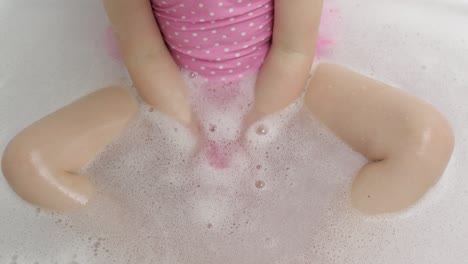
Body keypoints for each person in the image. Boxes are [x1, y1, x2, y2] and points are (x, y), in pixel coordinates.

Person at [1, 0, 454, 214]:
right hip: (166, 88)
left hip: (287, 81)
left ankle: (333, 237)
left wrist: (262, 121)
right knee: (26, 162)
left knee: (425, 140)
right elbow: (145, 54)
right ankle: (138, 244)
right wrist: (186, 125)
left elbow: (293, 51)